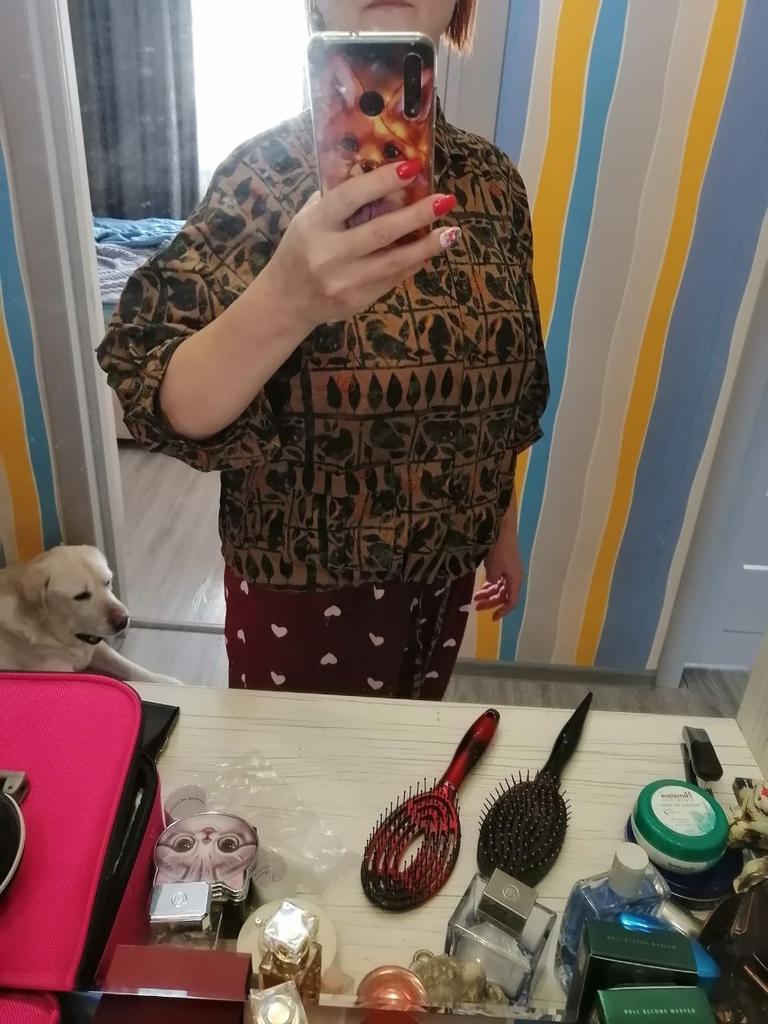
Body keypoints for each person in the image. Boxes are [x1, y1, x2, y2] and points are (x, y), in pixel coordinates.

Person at [98, 0, 549, 699]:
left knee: (399, 756)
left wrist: (501, 533)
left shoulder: (494, 185)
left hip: (443, 574)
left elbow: (502, 399)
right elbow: (157, 388)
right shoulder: (261, 177)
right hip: (300, 589)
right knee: (292, 768)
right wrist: (288, 299)